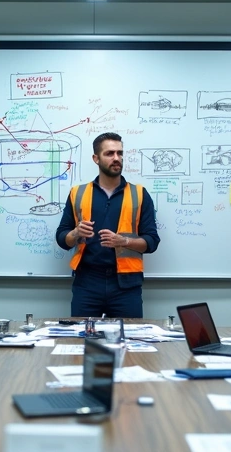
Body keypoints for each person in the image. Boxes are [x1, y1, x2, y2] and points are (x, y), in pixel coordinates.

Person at [56, 132, 160, 318]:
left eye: (120, 153)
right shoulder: (77, 193)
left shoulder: (140, 194)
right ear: (96, 158)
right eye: (109, 153)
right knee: (82, 341)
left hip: (126, 285)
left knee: (130, 341)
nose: (116, 158)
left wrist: (124, 242)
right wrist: (76, 233)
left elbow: (152, 241)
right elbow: (62, 239)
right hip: (87, 282)